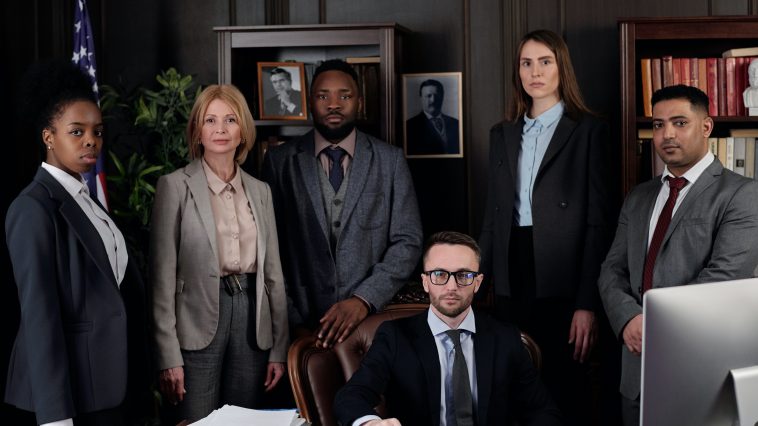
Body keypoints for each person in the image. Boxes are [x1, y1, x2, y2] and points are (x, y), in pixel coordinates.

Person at [598, 84, 758, 426]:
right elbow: (612, 269)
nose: (667, 134)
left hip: (701, 372)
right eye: (658, 124)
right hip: (636, 368)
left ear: (706, 126)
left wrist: (655, 325)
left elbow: (723, 279)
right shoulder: (638, 197)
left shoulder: (742, 194)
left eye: (680, 122)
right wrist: (627, 318)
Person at [478, 29, 615, 424]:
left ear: (561, 68)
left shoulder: (588, 130)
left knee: (563, 385)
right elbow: (492, 219)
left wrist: (586, 303)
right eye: (526, 63)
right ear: (518, 71)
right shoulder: (502, 134)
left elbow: (597, 225)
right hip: (510, 270)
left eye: (544, 62)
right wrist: (476, 286)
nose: (535, 72)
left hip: (563, 274)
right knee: (511, 385)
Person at [5, 60, 148, 425]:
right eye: (76, 131)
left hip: (112, 388)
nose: (91, 141)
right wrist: (56, 417)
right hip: (73, 397)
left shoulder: (86, 199)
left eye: (97, 132)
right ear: (48, 137)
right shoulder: (33, 207)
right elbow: (40, 318)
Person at [151, 84, 289, 422]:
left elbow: (273, 275)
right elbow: (161, 279)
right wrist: (168, 356)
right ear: (197, 131)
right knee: (197, 421)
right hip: (195, 321)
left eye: (230, 120)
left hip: (251, 321)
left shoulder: (261, 191)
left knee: (242, 420)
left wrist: (279, 348)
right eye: (210, 120)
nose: (220, 129)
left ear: (243, 131)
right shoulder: (174, 186)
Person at [262, 59, 422, 348]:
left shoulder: (390, 161)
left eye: (344, 96)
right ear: (310, 102)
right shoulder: (279, 162)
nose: (334, 104)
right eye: (323, 96)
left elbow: (408, 241)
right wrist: (293, 321)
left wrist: (364, 299)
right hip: (300, 328)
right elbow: (269, 248)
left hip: (372, 326)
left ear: (359, 101)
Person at [334, 231, 562, 426]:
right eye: (440, 274)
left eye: (464, 275)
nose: (452, 286)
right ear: (425, 281)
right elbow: (352, 395)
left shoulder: (505, 338)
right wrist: (370, 423)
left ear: (478, 282)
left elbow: (544, 412)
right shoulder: (394, 337)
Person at [405, 79, 460, 155]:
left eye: (436, 95)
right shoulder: (410, 126)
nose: (433, 100)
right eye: (428, 96)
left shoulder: (456, 124)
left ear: (442, 97)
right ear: (421, 98)